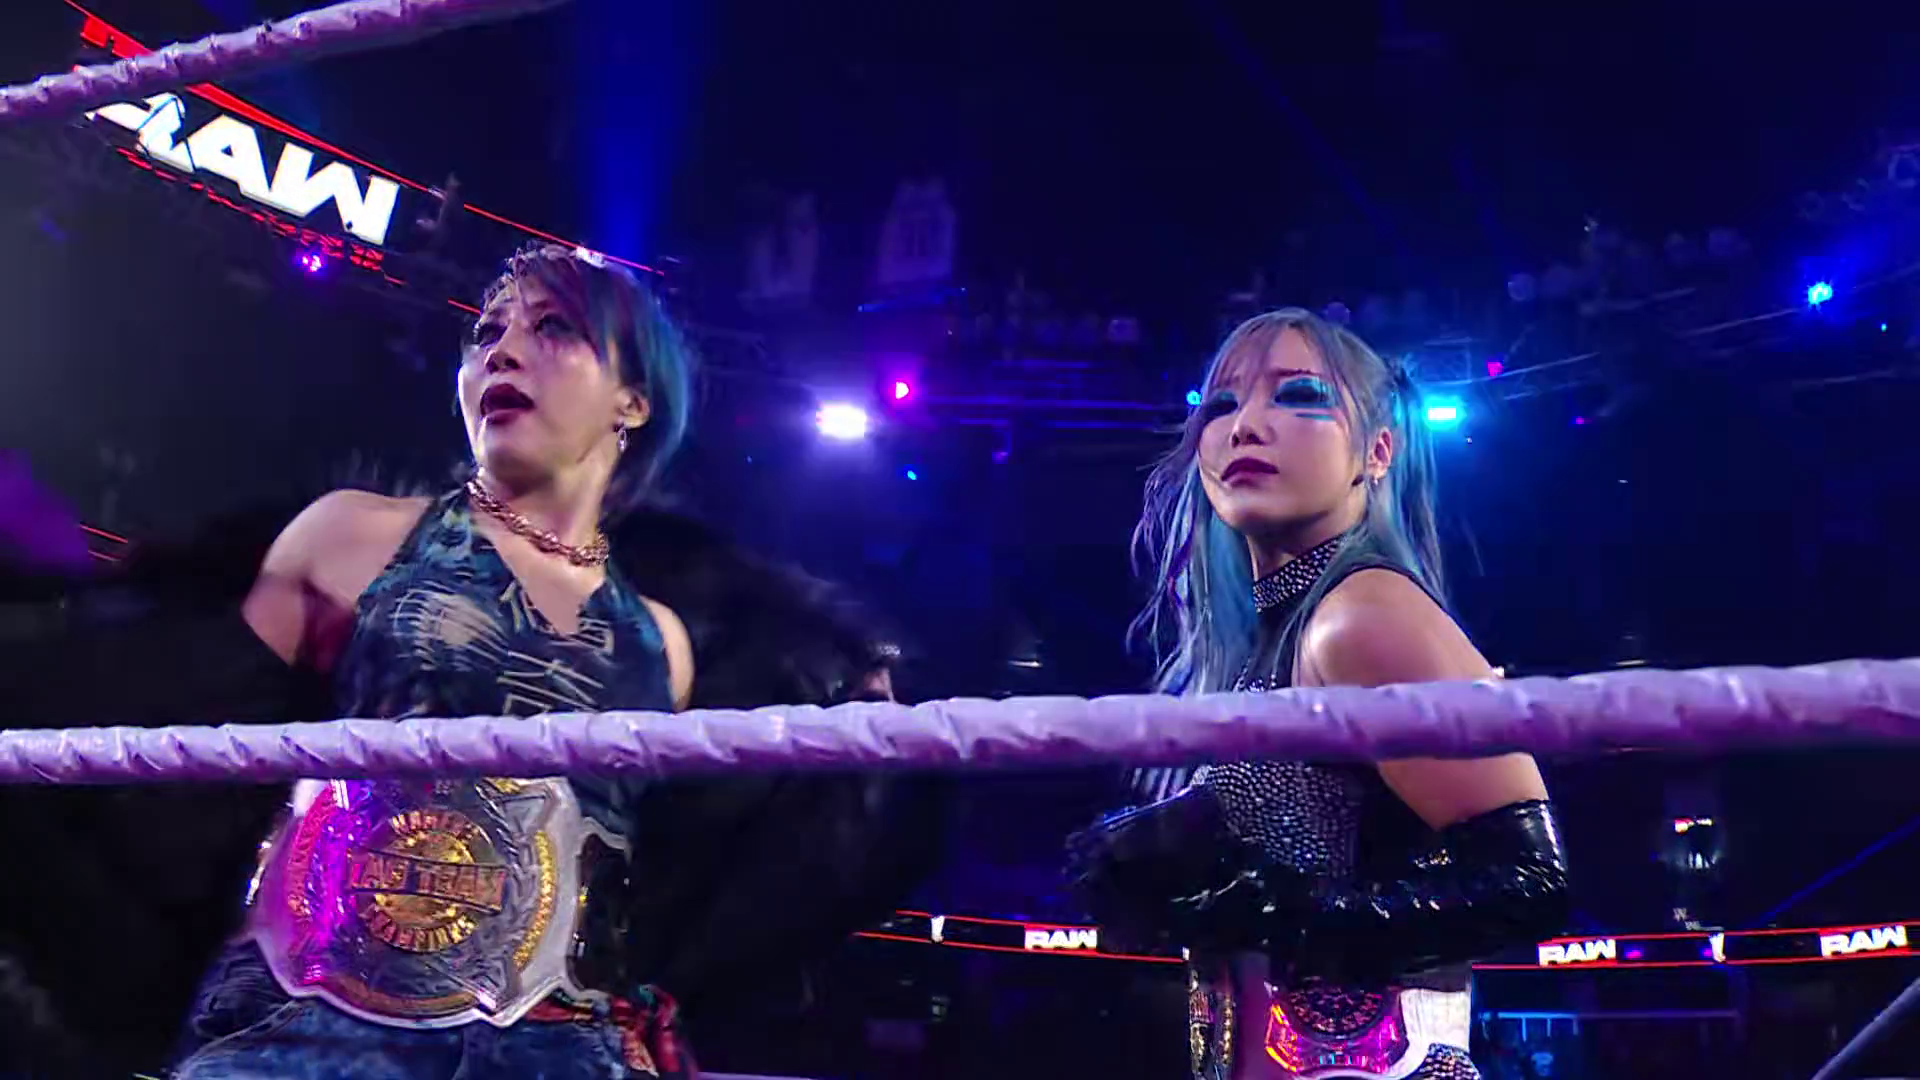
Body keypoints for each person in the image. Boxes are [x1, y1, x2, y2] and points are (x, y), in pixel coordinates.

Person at [0, 243, 937, 1080]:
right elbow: (177, 750)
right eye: (487, 332)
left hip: (556, 1046)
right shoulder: (352, 536)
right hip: (313, 1028)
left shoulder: (666, 640)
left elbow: (687, 887)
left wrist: (854, 748)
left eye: (554, 328)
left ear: (633, 400)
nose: (503, 350)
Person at [1066, 309, 1570, 1079]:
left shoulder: (1362, 611)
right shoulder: (1279, 638)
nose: (1245, 425)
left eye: (1299, 394)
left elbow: (1532, 884)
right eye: (1222, 404)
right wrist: (1188, 857)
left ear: (1377, 451)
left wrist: (1284, 910)